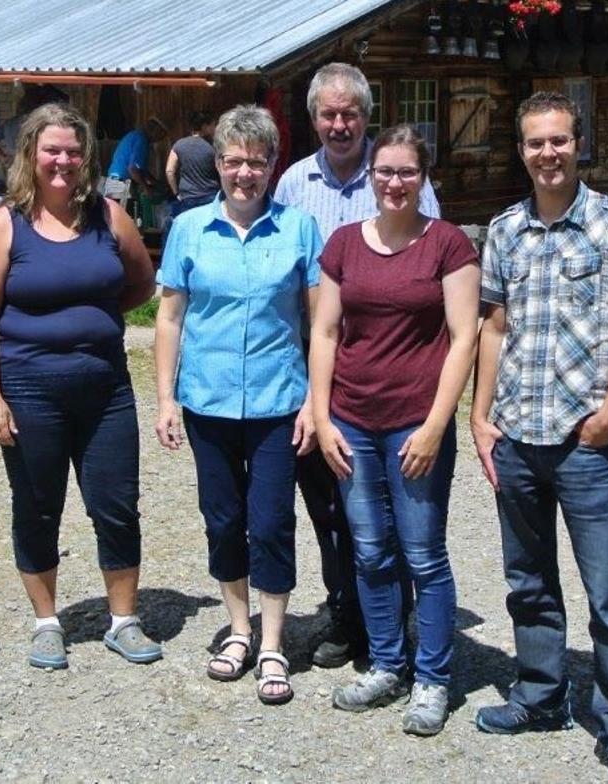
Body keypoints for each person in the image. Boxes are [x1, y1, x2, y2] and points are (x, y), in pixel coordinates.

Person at [470, 91, 608, 784]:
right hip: (518, 435)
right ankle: (542, 695)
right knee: (529, 582)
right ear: (520, 150)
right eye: (534, 142)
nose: (547, 153)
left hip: (586, 444)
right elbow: (493, 327)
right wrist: (478, 415)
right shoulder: (505, 230)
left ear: (579, 143)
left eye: (558, 140)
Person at [0, 103, 160, 671]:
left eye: (73, 151)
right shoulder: (5, 225)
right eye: (52, 149)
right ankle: (47, 622)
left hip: (106, 391)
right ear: (31, 154)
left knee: (117, 506)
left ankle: (123, 620)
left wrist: (95, 317)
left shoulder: (108, 216)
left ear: (86, 157)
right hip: (28, 390)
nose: (63, 161)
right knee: (37, 505)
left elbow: (141, 282)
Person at [309, 124, 480, 733]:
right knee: (371, 549)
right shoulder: (344, 244)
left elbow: (466, 338)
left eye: (407, 172)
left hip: (415, 424)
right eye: (385, 171)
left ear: (423, 177)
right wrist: (323, 415)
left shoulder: (448, 245)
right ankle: (386, 663)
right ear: (370, 176)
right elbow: (325, 332)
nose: (394, 182)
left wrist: (437, 424)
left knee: (423, 554)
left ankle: (431, 679)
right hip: (352, 421)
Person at [274, 61, 443, 670]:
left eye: (350, 114)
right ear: (313, 118)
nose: (339, 124)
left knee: (397, 513)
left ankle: (396, 622)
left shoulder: (400, 172)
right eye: (328, 114)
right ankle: (347, 613)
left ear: (366, 117)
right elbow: (290, 288)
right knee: (330, 509)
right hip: (320, 374)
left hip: (394, 376)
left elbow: (436, 264)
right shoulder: (293, 184)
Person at [154, 105, 322, 706]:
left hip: (280, 403)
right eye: (233, 161)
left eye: (256, 161)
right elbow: (169, 318)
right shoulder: (189, 229)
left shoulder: (300, 229)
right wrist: (166, 399)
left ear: (273, 166)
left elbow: (320, 321)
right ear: (217, 163)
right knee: (223, 519)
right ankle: (239, 629)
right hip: (209, 403)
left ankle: (274, 641)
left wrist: (315, 402)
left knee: (272, 521)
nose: (244, 172)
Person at [164, 111, 219, 218]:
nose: (215, 128)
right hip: (210, 197)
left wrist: (176, 193)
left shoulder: (179, 144)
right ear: (204, 126)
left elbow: (169, 171)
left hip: (187, 198)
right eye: (213, 125)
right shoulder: (214, 147)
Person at [102, 117, 167, 201]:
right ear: (155, 131)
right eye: (161, 135)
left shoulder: (134, 135)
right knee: (124, 212)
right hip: (120, 183)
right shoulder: (141, 140)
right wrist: (147, 189)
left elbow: (142, 170)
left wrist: (156, 182)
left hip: (114, 180)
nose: (160, 139)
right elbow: (133, 169)